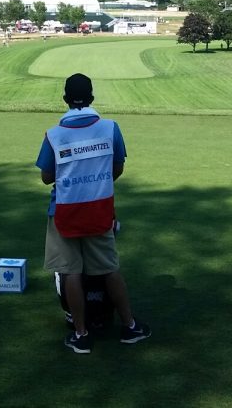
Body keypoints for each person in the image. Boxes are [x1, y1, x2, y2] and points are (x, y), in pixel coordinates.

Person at [36, 73, 151, 354]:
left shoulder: (54, 134)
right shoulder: (111, 128)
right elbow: (117, 168)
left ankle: (81, 333)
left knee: (70, 272)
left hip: (64, 211)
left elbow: (47, 176)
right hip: (99, 209)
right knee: (109, 269)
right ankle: (129, 326)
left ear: (65, 98)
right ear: (92, 97)